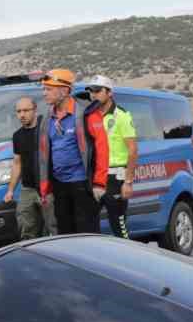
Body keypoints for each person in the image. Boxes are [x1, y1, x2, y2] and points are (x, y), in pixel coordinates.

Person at [37, 69, 108, 235]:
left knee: (87, 235)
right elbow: (43, 156)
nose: (44, 93)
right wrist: (45, 189)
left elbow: (102, 148)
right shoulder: (47, 118)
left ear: (64, 91)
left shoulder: (87, 113)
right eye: (44, 89)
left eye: (49, 89)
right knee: (65, 236)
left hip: (83, 185)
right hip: (60, 186)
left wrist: (99, 183)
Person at [86, 76, 136, 239]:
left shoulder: (121, 115)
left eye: (98, 90)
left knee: (118, 226)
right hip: (95, 176)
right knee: (89, 224)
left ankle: (128, 260)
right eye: (91, 91)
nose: (93, 95)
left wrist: (128, 182)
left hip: (115, 177)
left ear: (109, 93)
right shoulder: (89, 116)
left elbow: (133, 150)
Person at [4, 96, 56, 239]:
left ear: (35, 110)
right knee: (25, 226)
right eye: (19, 111)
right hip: (27, 189)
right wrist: (10, 190)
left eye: (26, 110)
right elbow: (17, 163)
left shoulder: (46, 130)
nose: (22, 115)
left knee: (52, 227)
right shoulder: (18, 136)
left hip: (48, 188)